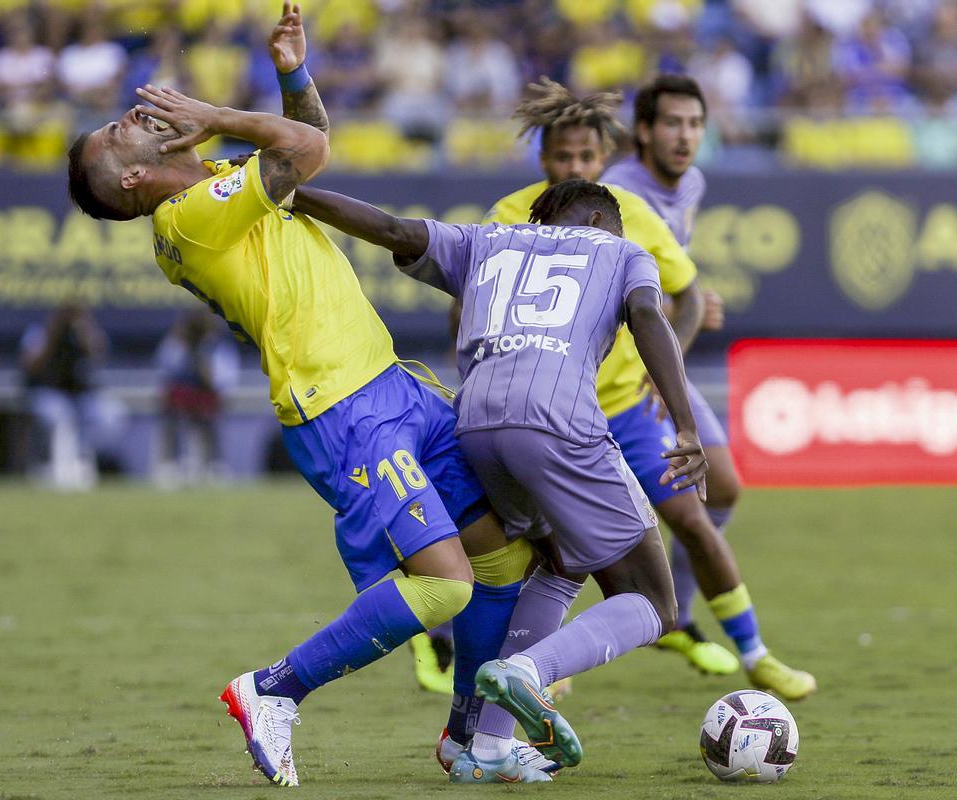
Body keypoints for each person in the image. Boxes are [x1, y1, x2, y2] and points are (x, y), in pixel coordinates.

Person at [65, 4, 542, 786]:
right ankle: (275, 689)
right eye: (117, 135)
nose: (128, 121)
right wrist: (218, 113)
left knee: (502, 560)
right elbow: (309, 151)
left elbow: (306, 134)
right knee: (447, 581)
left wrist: (292, 70)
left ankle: (470, 741)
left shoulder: (220, 183)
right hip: (338, 408)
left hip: (391, 384)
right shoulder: (188, 219)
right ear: (132, 180)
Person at [292, 178, 708, 782]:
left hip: (476, 425)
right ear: (599, 216)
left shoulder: (488, 241)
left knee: (559, 563)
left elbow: (392, 229)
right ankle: (531, 673)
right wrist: (687, 424)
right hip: (558, 419)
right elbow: (647, 312)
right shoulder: (622, 252)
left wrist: (296, 194)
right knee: (653, 600)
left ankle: (486, 746)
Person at [602, 74, 816, 698]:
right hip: (616, 373)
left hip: (657, 366)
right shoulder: (617, 193)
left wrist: (680, 313)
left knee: (722, 485)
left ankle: (679, 613)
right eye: (672, 123)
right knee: (568, 528)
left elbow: (669, 281)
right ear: (643, 131)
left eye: (695, 124)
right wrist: (666, 317)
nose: (686, 135)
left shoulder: (691, 183)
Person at [20, 301, 126, 490]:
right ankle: (60, 466)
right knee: (60, 414)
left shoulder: (86, 333)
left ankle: (85, 461)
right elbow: (30, 366)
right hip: (50, 393)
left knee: (112, 414)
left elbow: (100, 355)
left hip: (82, 395)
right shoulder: (40, 334)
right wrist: (54, 334)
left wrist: (84, 331)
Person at [154, 308, 240, 486]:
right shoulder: (175, 344)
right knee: (171, 410)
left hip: (206, 399)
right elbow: (166, 374)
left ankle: (215, 464)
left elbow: (222, 382)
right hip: (182, 399)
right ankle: (171, 464)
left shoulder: (218, 347)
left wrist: (202, 358)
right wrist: (185, 348)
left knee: (211, 413)